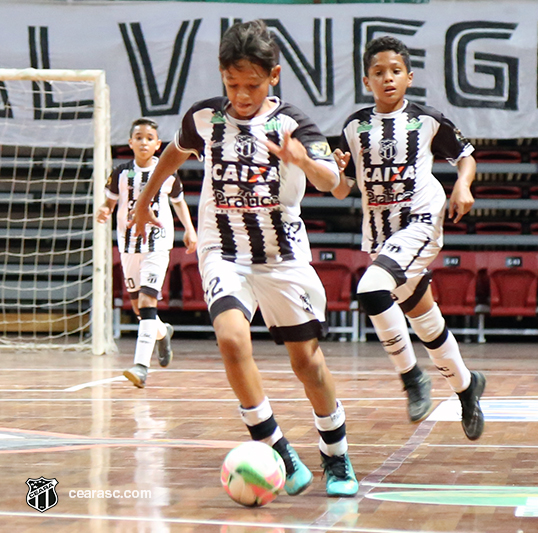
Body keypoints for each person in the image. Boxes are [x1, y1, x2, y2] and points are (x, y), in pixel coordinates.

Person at [130, 20, 358, 498]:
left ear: (273, 76)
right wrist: (146, 198)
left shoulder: (294, 123)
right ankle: (277, 448)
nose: (241, 94)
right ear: (221, 77)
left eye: (252, 85)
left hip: (282, 257)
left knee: (306, 364)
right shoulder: (205, 118)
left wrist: (304, 161)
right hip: (224, 252)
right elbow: (174, 153)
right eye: (232, 84)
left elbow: (335, 185)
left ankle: (335, 455)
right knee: (231, 340)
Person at [332, 36, 485, 440]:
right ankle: (468, 386)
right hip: (381, 234)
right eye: (379, 73)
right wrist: (334, 172)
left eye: (395, 71)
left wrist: (463, 186)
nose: (388, 78)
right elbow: (341, 189)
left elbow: (466, 154)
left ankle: (412, 378)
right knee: (423, 318)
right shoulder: (353, 127)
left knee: (370, 289)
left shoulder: (427, 118)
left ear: (409, 77)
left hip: (420, 219)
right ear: (367, 80)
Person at [96, 118, 198, 388]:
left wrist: (189, 229)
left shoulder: (166, 173)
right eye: (138, 137)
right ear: (130, 143)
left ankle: (141, 366)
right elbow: (110, 200)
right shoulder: (120, 172)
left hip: (157, 244)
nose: (143, 142)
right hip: (128, 245)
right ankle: (163, 332)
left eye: (149, 137)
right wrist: (105, 210)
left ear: (157, 144)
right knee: (139, 309)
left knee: (146, 302)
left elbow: (179, 203)